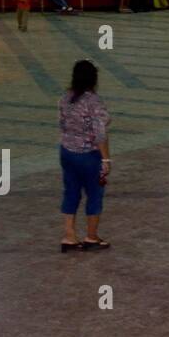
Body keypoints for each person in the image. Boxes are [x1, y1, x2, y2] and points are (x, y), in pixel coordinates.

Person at [58, 60, 112, 251]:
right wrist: (106, 159)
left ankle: (69, 236)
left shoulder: (65, 98)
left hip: (66, 152)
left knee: (71, 192)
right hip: (88, 155)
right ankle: (91, 236)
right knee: (95, 195)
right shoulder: (93, 102)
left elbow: (62, 124)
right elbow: (100, 134)